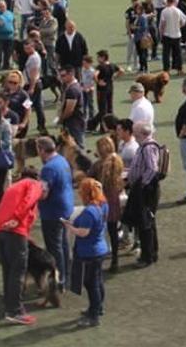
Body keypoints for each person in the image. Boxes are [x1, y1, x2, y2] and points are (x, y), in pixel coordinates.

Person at [0, 167, 43, 325]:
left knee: (8, 269)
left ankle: (9, 304)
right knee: (18, 270)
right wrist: (16, 218)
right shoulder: (33, 184)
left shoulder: (13, 187)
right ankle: (15, 310)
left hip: (0, 229)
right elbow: (28, 201)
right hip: (14, 229)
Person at [63, 178, 108, 327]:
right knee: (98, 281)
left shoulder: (90, 211)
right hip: (100, 248)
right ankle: (98, 308)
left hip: (90, 252)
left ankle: (93, 316)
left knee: (91, 284)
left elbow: (83, 233)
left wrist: (69, 227)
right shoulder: (103, 204)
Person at [37, 136, 74, 290]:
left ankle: (59, 280)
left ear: (42, 150)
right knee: (63, 244)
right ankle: (67, 274)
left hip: (52, 211)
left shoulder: (48, 168)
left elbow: (44, 193)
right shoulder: (62, 160)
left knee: (54, 248)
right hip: (66, 207)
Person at [126, 122, 162, 267]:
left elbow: (152, 168)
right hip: (146, 189)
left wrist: (142, 184)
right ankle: (151, 252)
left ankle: (148, 256)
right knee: (147, 222)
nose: (133, 135)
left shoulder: (148, 147)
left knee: (145, 223)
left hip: (146, 191)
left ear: (141, 133)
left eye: (135, 132)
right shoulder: (146, 146)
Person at [90, 136, 123, 272]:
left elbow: (90, 178)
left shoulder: (98, 165)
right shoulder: (118, 161)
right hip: (114, 199)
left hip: (100, 200)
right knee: (113, 230)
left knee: (97, 230)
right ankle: (115, 259)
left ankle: (97, 255)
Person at [58, 66, 86, 149]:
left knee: (77, 146)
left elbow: (69, 109)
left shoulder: (72, 90)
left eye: (63, 75)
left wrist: (61, 118)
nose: (61, 78)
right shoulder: (71, 87)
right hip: (74, 121)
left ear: (71, 74)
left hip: (74, 122)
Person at [22, 41, 47, 135]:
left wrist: (31, 88)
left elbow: (34, 74)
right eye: (25, 48)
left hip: (33, 85)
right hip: (36, 85)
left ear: (33, 47)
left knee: (26, 106)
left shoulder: (34, 59)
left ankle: (24, 126)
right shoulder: (33, 56)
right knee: (38, 106)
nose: (26, 50)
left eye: (28, 48)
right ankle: (41, 126)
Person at [159, 0, 186, 75]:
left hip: (167, 34)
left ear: (167, 1)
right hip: (177, 34)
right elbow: (184, 20)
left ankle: (166, 70)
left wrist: (161, 34)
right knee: (178, 53)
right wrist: (179, 26)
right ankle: (179, 69)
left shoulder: (164, 11)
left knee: (166, 53)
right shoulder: (178, 10)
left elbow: (162, 24)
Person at [95, 50, 123, 126]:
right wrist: (115, 77)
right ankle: (111, 125)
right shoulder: (112, 65)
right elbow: (121, 70)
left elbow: (95, 75)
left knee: (102, 109)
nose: (97, 59)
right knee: (110, 107)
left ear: (103, 57)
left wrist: (98, 82)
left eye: (98, 57)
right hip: (110, 88)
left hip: (101, 90)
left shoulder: (100, 66)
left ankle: (103, 127)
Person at [81, 55, 96, 123]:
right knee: (83, 104)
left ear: (89, 63)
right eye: (83, 63)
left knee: (90, 104)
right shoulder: (82, 70)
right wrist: (82, 87)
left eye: (85, 63)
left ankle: (91, 118)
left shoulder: (92, 71)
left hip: (90, 90)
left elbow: (93, 81)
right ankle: (84, 118)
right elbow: (82, 80)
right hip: (83, 89)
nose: (83, 64)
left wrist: (89, 88)